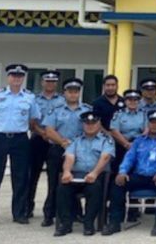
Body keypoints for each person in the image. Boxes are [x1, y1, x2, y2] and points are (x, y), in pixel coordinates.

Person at [103, 110, 156, 236]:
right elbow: (129, 158)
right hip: (139, 175)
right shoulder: (139, 140)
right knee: (117, 183)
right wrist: (122, 172)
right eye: (152, 122)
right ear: (148, 124)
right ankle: (115, 222)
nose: (154, 125)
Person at [0, 63, 40, 226]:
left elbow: (33, 119)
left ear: (23, 78)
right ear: (8, 77)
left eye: (20, 76)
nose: (17, 79)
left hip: (20, 139)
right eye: (13, 76)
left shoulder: (29, 97)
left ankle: (19, 213)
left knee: (21, 177)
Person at [41, 78, 92, 230]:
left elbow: (92, 129)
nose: (73, 94)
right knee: (54, 183)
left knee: (75, 181)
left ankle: (76, 213)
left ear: (79, 93)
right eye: (70, 91)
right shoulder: (56, 110)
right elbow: (49, 130)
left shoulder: (87, 110)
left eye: (76, 92)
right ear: (64, 93)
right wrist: (63, 142)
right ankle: (49, 215)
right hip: (58, 149)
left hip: (80, 152)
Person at [55, 112, 114, 236]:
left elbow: (105, 158)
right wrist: (66, 172)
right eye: (87, 123)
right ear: (83, 124)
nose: (90, 126)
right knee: (62, 188)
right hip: (76, 175)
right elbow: (69, 157)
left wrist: (94, 173)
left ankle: (88, 224)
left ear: (99, 124)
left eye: (93, 123)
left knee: (94, 189)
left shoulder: (106, 140)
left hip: (97, 175)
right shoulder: (75, 140)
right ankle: (65, 224)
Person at [26, 70, 64, 220]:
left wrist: (53, 136)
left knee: (54, 178)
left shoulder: (62, 100)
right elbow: (31, 122)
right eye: (47, 81)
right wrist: (43, 133)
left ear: (56, 83)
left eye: (53, 81)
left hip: (56, 142)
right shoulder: (34, 100)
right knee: (31, 176)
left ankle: (50, 210)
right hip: (38, 139)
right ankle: (27, 208)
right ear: (42, 82)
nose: (50, 84)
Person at [109, 89, 147, 177]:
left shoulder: (144, 114)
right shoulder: (118, 114)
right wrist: (126, 144)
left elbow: (147, 130)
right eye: (130, 99)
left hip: (139, 144)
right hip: (122, 145)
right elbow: (114, 131)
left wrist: (136, 143)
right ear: (125, 101)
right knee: (118, 167)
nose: (132, 102)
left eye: (135, 100)